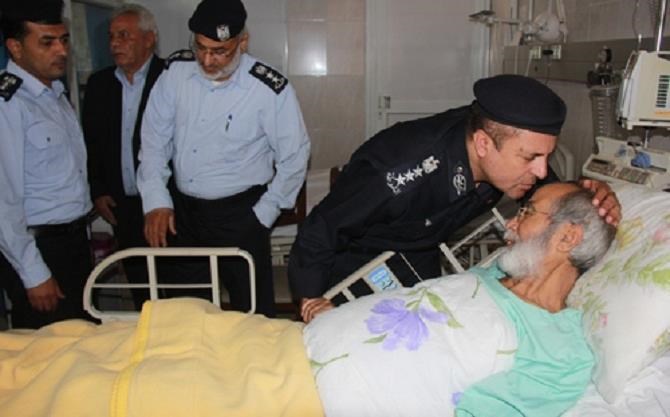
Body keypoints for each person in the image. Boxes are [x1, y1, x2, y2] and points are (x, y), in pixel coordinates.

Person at [291, 74, 621, 322]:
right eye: (530, 157)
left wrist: (589, 196)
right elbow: (322, 228)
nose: (541, 171)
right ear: (483, 145)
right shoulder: (397, 171)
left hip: (421, 248)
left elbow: (552, 201)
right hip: (359, 259)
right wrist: (311, 301)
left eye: (546, 156)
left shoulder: (503, 145)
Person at [309, 181, 617, 417]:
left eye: (526, 212)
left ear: (568, 237)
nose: (510, 224)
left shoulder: (561, 353)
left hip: (322, 398)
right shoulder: (492, 274)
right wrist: (344, 320)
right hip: (308, 347)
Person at [136, 0, 310, 317]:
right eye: (200, 48)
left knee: (251, 314)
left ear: (242, 42)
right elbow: (153, 142)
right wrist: (156, 200)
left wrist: (264, 214)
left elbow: (295, 156)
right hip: (183, 213)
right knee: (186, 310)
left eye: (220, 52)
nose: (207, 60)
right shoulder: (175, 75)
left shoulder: (268, 88)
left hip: (241, 214)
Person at [0, 0, 94, 328]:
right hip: (39, 250)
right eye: (47, 42)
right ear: (15, 48)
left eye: (64, 40)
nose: (61, 50)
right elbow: (4, 202)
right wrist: (34, 273)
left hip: (73, 243)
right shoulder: (8, 105)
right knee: (47, 349)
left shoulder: (54, 94)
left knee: (81, 340)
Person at [82, 4, 163, 308]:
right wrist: (98, 190)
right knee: (141, 285)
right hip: (122, 205)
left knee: (174, 284)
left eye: (124, 35)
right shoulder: (99, 85)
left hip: (166, 205)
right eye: (112, 36)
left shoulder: (171, 78)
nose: (115, 43)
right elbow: (91, 143)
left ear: (149, 39)